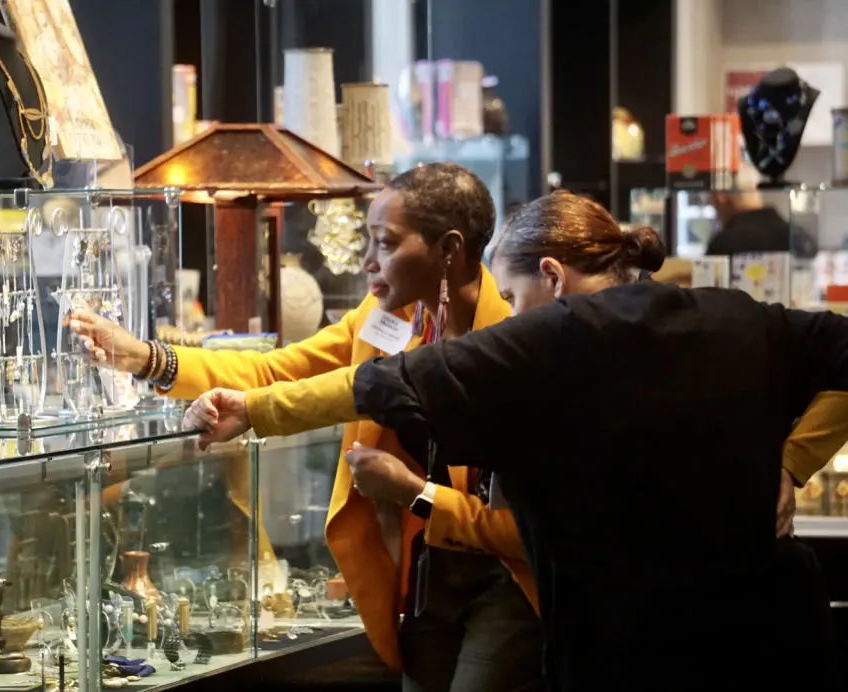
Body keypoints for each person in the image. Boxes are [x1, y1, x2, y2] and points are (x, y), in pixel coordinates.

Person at [183, 191, 843, 691]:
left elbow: (381, 384)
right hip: (775, 634)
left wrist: (254, 410)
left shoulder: (548, 341)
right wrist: (792, 461)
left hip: (632, 646)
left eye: (512, 292)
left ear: (552, 277)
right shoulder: (735, 315)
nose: (507, 311)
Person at [69, 163, 545, 692]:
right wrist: (147, 359)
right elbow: (281, 370)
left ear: (449, 250)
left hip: (507, 576)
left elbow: (523, 524)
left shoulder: (511, 338)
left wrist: (414, 494)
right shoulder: (388, 315)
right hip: (427, 570)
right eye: (368, 240)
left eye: (385, 243)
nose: (367, 261)